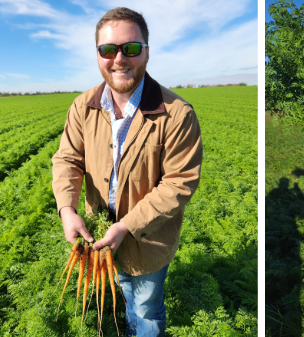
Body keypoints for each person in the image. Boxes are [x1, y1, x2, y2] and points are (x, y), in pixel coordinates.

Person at [52, 7, 202, 337]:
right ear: (98, 55)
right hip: (101, 238)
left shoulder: (176, 114)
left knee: (147, 306)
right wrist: (67, 209)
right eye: (108, 49)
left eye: (130, 48)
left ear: (146, 52)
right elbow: (67, 161)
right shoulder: (82, 106)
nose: (119, 59)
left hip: (150, 239)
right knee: (124, 292)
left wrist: (126, 226)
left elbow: (181, 182)